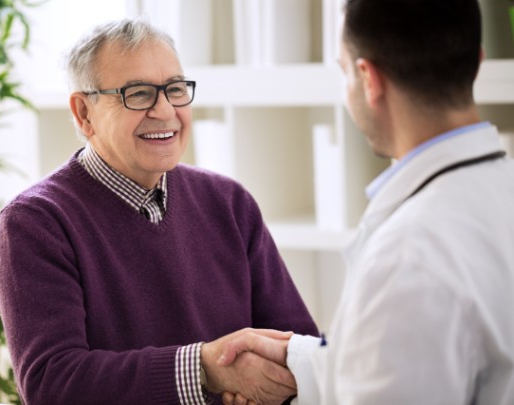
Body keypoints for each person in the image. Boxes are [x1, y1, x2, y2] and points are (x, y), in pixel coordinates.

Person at [0, 18, 319, 405]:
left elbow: (297, 346)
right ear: (84, 113)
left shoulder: (229, 202)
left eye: (176, 89)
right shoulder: (35, 223)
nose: (165, 111)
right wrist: (204, 370)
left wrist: (267, 381)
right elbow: (52, 383)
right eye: (139, 93)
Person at [217, 0, 514, 404]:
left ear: (368, 78)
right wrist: (295, 360)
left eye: (343, 70)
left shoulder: (409, 255)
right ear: (476, 62)